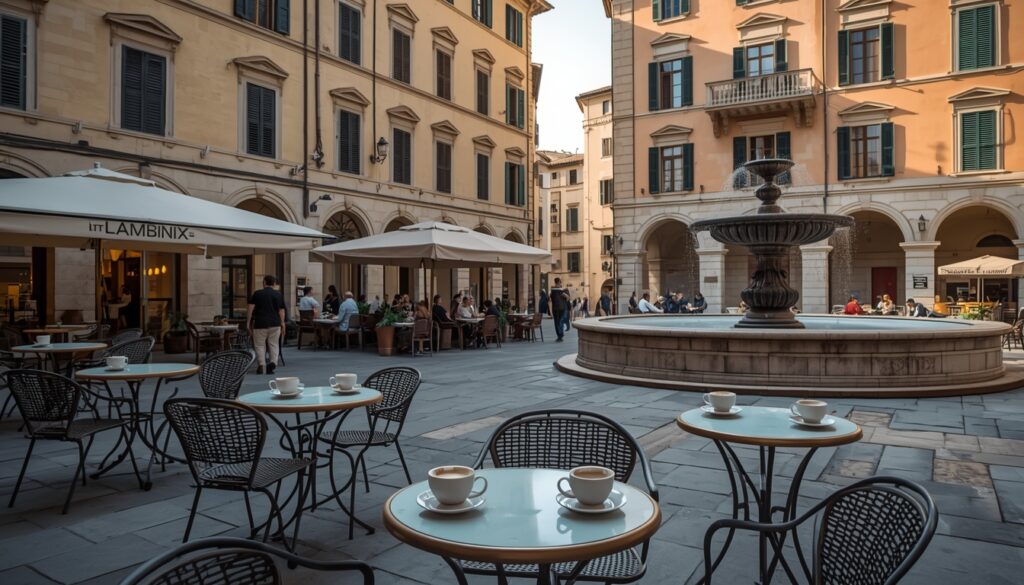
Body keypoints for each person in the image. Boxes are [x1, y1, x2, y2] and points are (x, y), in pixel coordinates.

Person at [247, 275, 286, 375]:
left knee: (259, 345)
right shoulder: (278, 294)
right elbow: (281, 310)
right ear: (274, 284)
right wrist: (282, 323)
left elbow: (250, 308)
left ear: (264, 282)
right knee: (274, 344)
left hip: (260, 323)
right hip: (275, 323)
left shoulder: (257, 293)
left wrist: (248, 322)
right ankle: (273, 363)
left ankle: (262, 364)